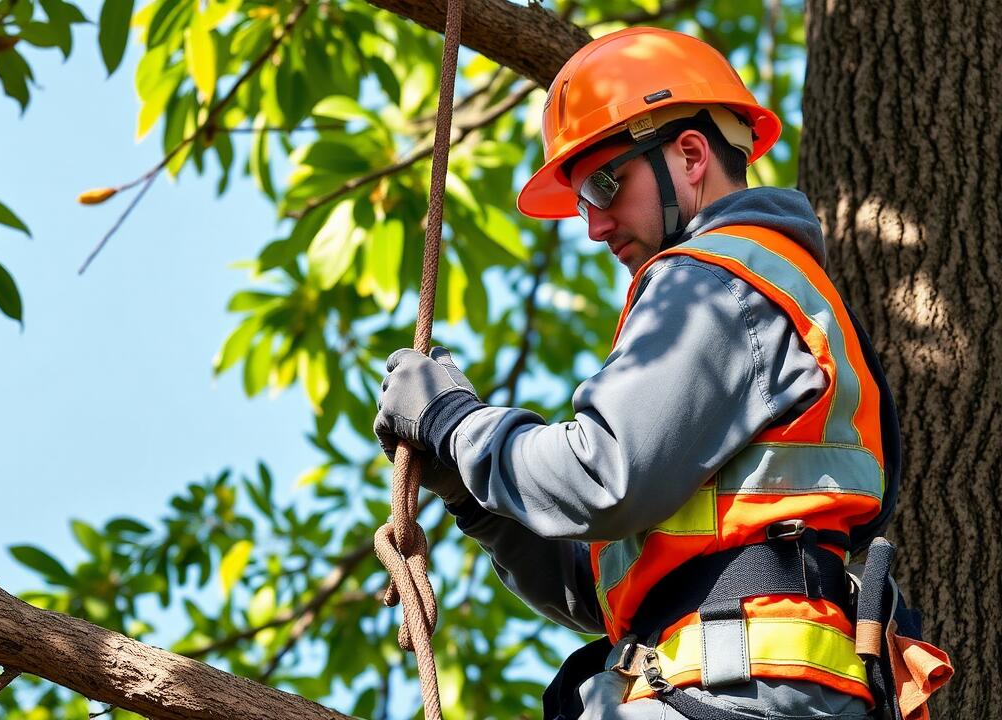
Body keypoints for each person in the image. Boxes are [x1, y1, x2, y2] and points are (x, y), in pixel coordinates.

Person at [372, 27, 914, 720]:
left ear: (690, 155)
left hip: (736, 689)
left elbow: (602, 477)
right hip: (742, 686)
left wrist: (458, 426)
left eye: (605, 183)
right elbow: (595, 585)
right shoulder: (769, 290)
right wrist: (469, 491)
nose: (594, 226)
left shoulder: (713, 281)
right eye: (582, 201)